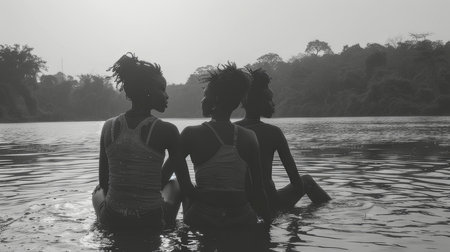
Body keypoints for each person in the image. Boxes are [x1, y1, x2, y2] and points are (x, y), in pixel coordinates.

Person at [91, 53, 193, 230]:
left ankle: (102, 223)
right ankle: (171, 224)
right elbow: (186, 186)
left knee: (98, 191)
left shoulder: (108, 126)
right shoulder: (167, 130)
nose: (166, 96)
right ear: (147, 91)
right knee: (175, 184)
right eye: (162, 89)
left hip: (112, 219)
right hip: (151, 221)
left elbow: (104, 181)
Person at [180, 63, 271, 229]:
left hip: (204, 216)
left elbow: (184, 186)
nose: (202, 100)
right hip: (242, 217)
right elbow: (258, 190)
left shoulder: (190, 133)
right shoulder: (250, 137)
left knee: (176, 185)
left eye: (205, 95)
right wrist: (268, 227)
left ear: (215, 100)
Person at [235, 68, 331, 212]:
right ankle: (329, 211)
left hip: (241, 202)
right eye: (270, 99)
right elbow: (296, 183)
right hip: (270, 201)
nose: (273, 102)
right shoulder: (273, 132)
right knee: (307, 181)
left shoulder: (232, 130)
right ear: (262, 100)